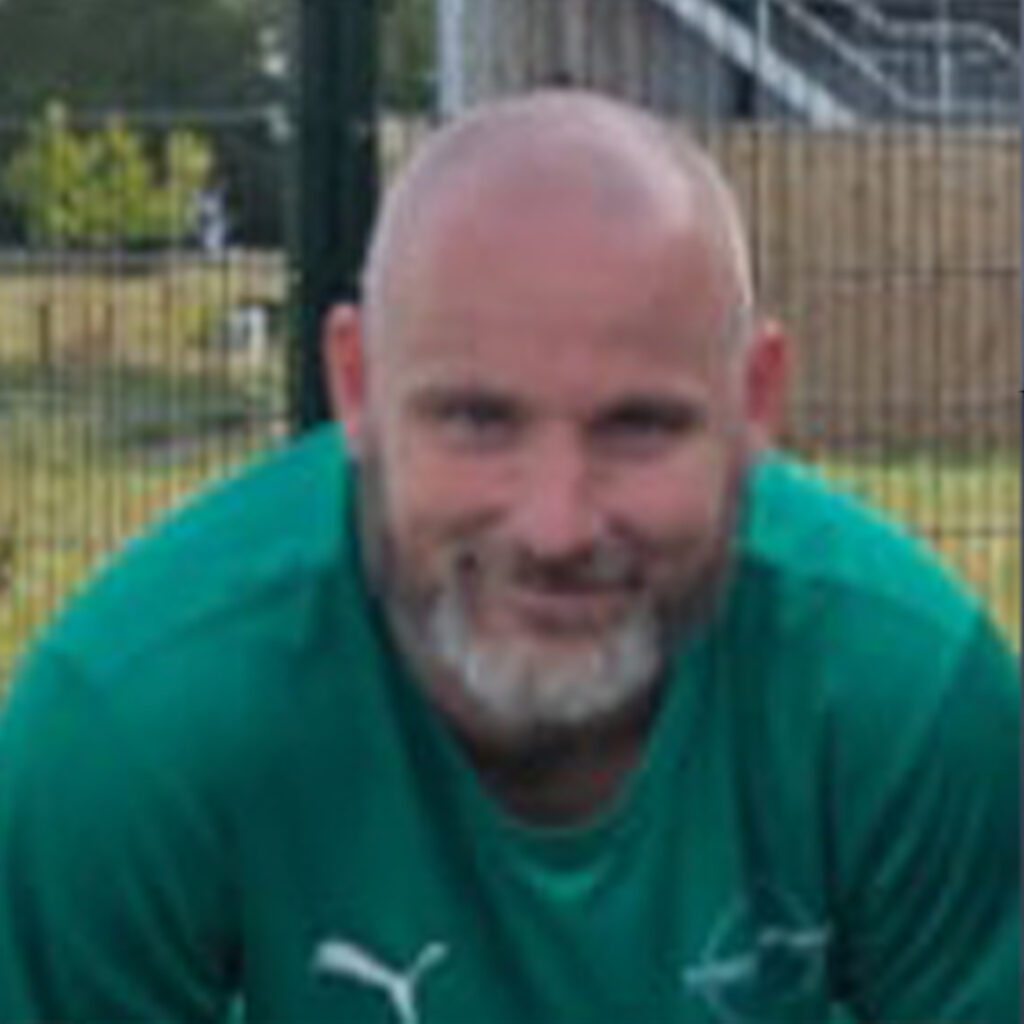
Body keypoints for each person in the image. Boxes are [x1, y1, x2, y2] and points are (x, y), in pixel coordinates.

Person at [0, 90, 1018, 1023]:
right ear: (355, 386)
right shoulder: (126, 730)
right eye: (477, 419)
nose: (554, 525)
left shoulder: (910, 694)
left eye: (638, 426)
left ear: (755, 401)